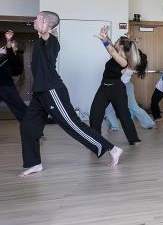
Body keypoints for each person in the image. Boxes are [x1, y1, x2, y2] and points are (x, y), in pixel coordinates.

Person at [18, 11, 123, 177]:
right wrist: (43, 32)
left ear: (46, 23)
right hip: (40, 93)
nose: (33, 20)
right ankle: (34, 163)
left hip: (52, 91)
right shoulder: (38, 42)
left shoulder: (51, 42)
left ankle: (112, 148)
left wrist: (46, 32)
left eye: (37, 18)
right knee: (27, 127)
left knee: (73, 125)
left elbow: (48, 37)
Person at [89, 28, 142, 145]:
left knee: (124, 115)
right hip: (103, 88)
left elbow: (111, 51)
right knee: (94, 114)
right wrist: (105, 36)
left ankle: (133, 139)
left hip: (117, 89)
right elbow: (112, 47)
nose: (115, 43)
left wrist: (103, 41)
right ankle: (95, 140)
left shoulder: (124, 61)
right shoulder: (117, 53)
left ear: (122, 46)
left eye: (117, 41)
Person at [105, 49, 157, 131]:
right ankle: (113, 126)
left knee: (133, 106)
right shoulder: (128, 61)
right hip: (116, 85)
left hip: (125, 86)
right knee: (108, 107)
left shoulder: (131, 64)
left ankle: (149, 124)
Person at [0, 30, 27, 122]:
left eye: (12, 43)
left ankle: (33, 126)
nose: (7, 45)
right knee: (19, 107)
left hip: (6, 87)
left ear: (15, 48)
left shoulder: (14, 58)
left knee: (19, 108)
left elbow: (10, 54)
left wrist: (8, 40)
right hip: (3, 86)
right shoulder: (5, 58)